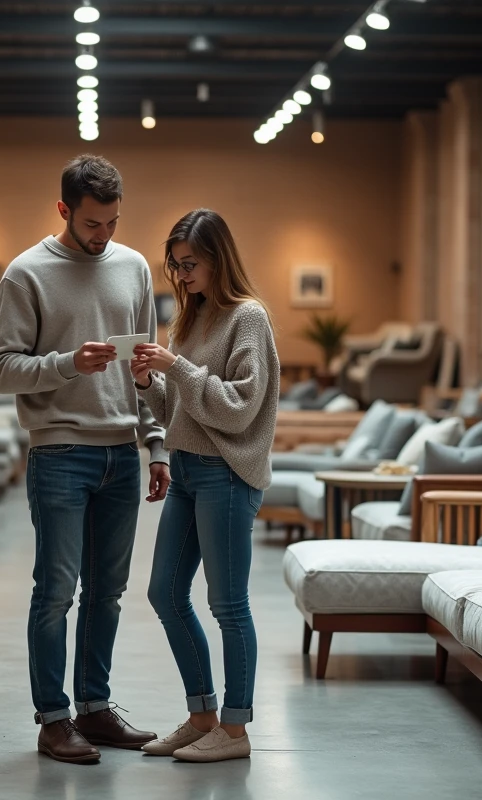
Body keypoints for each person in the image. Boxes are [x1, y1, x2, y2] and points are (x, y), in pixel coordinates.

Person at [0, 154, 171, 765]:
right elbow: (0, 368)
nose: (104, 235)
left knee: (108, 593)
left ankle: (95, 708)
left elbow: (143, 367)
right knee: (56, 590)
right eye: (93, 224)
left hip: (122, 453)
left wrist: (155, 443)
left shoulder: (135, 267)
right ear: (64, 210)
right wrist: (68, 363)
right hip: (60, 452)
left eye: (114, 222)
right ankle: (53, 719)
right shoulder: (25, 274)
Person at [131, 208, 280, 763]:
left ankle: (235, 731)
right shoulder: (189, 320)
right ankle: (201, 716)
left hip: (227, 475)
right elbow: (181, 410)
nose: (182, 275)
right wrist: (149, 382)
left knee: (228, 604)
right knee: (164, 593)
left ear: (219, 258)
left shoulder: (250, 319)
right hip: (190, 471)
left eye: (190, 264)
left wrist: (177, 368)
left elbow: (240, 409)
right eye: (175, 265)